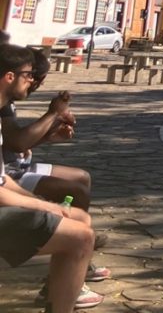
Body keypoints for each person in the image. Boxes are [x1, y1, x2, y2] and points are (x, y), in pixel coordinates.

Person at [0, 44, 101, 313]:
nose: (33, 82)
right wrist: (49, 207)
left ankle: (66, 280)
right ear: (9, 76)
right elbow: (16, 144)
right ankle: (68, 279)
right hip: (13, 177)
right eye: (30, 75)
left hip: (10, 176)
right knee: (79, 226)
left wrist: (48, 135)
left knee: (81, 210)